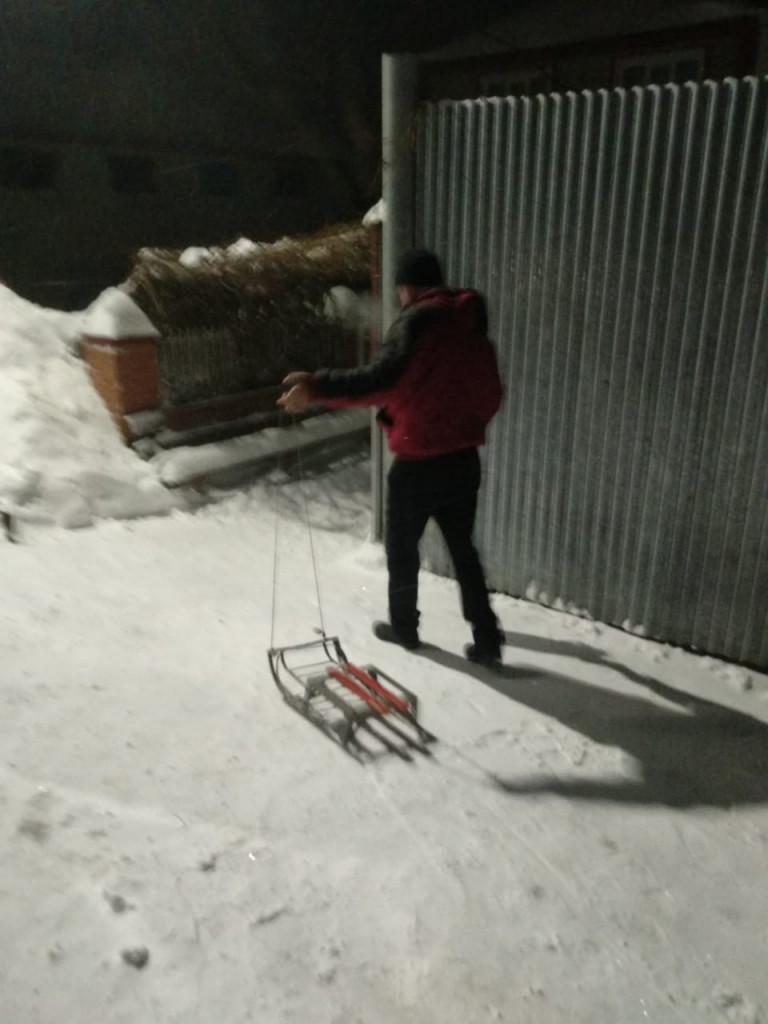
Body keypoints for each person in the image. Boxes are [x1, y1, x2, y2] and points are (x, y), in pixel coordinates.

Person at [278, 248, 504, 666]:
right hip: (462, 461)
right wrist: (459, 426)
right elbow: (491, 394)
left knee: (401, 550)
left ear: (408, 288)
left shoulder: (415, 325)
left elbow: (376, 381)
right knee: (463, 550)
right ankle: (487, 639)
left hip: (418, 465)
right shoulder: (468, 324)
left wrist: (315, 386)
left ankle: (404, 627)